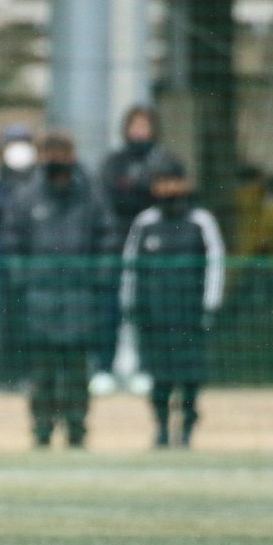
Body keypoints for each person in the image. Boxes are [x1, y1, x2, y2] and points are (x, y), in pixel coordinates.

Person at [0, 131, 118, 449]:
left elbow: (107, 239)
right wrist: (24, 280)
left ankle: (77, 430)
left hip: (80, 296)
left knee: (78, 371)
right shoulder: (26, 198)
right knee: (43, 371)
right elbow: (12, 242)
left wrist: (97, 279)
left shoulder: (91, 197)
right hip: (40, 298)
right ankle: (41, 430)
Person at [120, 155, 225, 448]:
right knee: (160, 378)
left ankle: (188, 429)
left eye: (173, 182)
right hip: (155, 316)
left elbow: (215, 264)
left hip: (190, 315)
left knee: (190, 377)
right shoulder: (145, 223)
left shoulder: (200, 222)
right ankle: (163, 429)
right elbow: (131, 267)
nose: (168, 189)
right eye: (162, 183)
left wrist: (209, 306)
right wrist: (131, 304)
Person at [95, 105, 179, 390]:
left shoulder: (165, 160)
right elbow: (107, 201)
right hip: (118, 247)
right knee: (110, 311)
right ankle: (105, 368)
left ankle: (145, 367)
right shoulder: (113, 162)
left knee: (148, 311)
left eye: (145, 125)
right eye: (135, 125)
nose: (140, 131)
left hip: (154, 250)